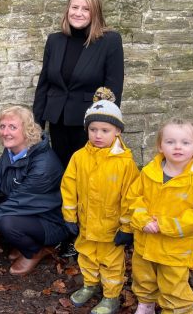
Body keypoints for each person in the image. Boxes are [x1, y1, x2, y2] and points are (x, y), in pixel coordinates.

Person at [33, 0, 124, 258]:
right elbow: (44, 85)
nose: (79, 12)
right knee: (63, 180)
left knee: (87, 183)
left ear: (95, 12)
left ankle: (83, 236)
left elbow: (113, 89)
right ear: (67, 9)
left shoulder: (109, 41)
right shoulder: (55, 40)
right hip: (57, 121)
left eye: (86, 8)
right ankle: (64, 230)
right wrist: (36, 124)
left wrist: (103, 128)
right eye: (75, 7)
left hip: (88, 126)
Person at [0, 106, 68, 276]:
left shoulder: (43, 165)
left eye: (12, 127)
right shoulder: (11, 151)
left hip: (49, 219)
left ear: (27, 131)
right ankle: (22, 242)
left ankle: (35, 251)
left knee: (6, 223)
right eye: (2, 126)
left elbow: (17, 203)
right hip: (24, 208)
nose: (5, 132)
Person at [127, 118, 193, 314]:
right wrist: (142, 220)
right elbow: (133, 198)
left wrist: (166, 225)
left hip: (176, 249)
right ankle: (146, 304)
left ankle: (177, 310)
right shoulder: (149, 172)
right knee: (143, 276)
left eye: (185, 142)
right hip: (146, 241)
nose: (177, 147)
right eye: (170, 142)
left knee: (174, 286)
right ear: (160, 146)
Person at [60, 88, 139, 314]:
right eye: (93, 129)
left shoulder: (125, 163)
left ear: (117, 132)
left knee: (111, 264)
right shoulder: (79, 157)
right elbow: (69, 187)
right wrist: (69, 216)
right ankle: (90, 285)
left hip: (111, 228)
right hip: (86, 224)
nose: (98, 135)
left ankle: (111, 297)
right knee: (86, 257)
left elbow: (131, 197)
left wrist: (127, 227)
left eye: (105, 130)